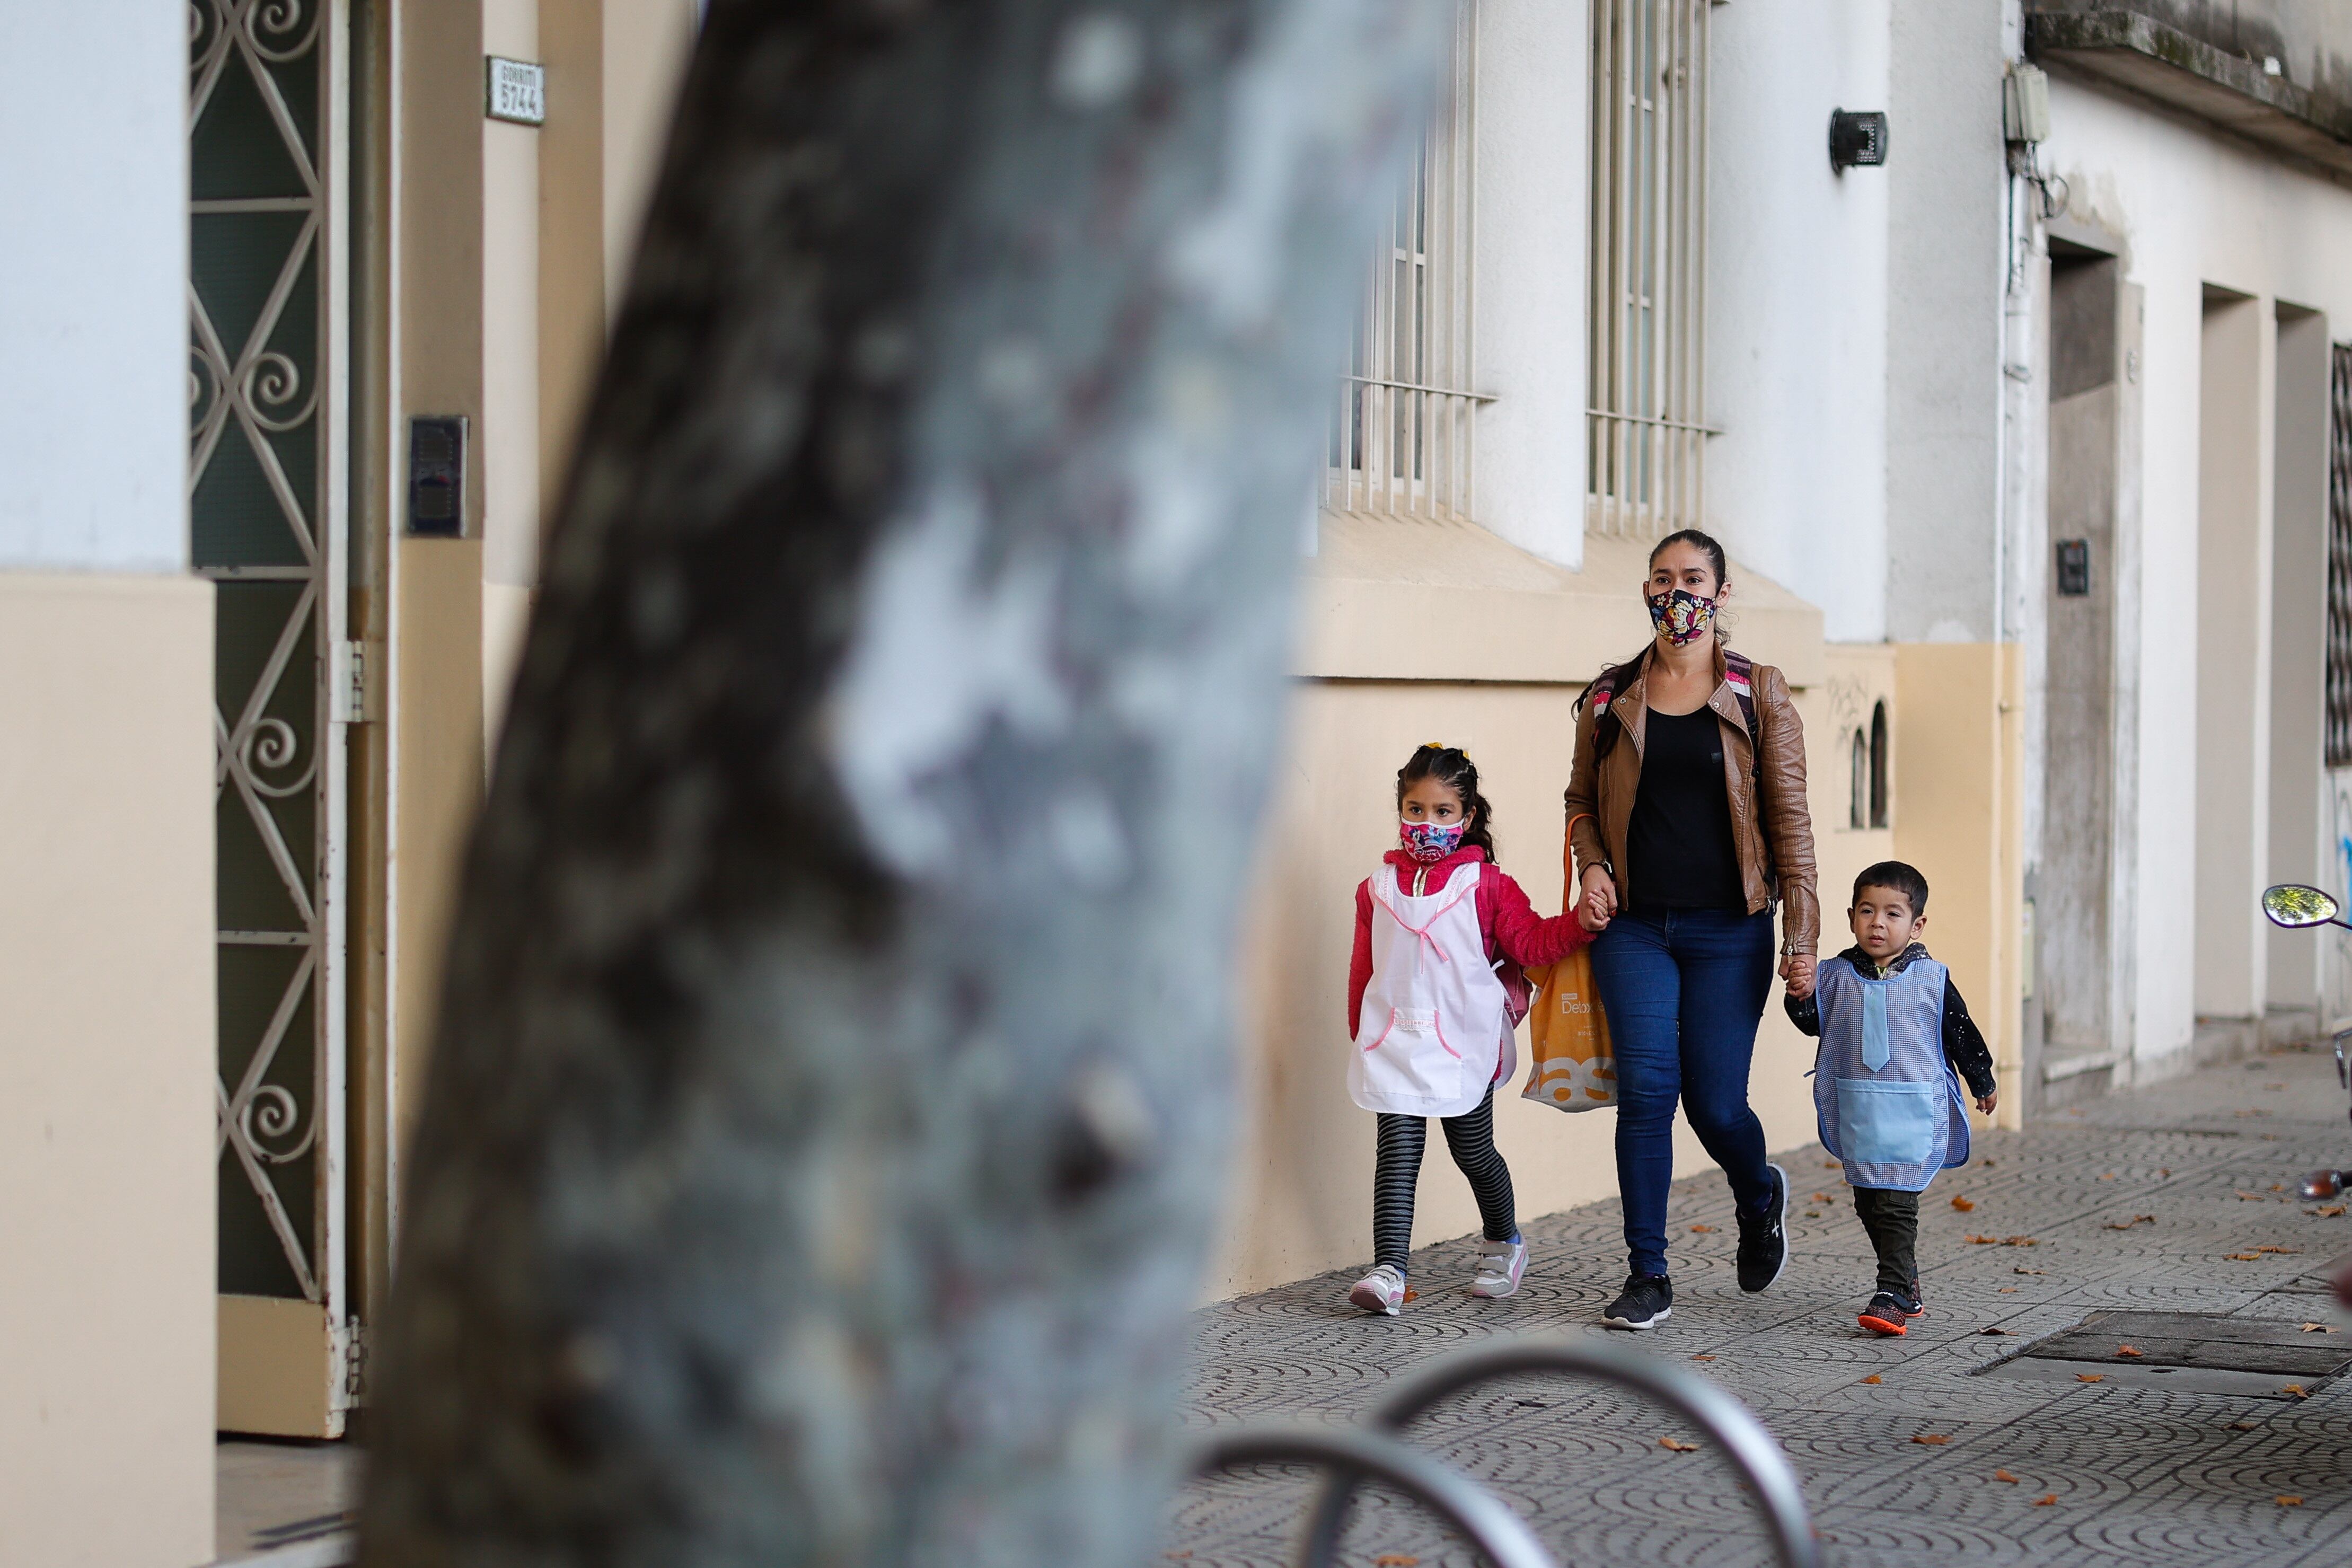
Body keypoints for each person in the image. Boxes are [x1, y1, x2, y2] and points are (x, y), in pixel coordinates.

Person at [1564, 528, 1819, 1331]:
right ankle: (1648, 1274)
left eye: (1694, 577)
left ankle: (1758, 1189)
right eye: (1663, 577)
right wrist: (1593, 867)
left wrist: (1801, 938)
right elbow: (1579, 799)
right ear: (1645, 589)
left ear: (1722, 592)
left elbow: (1791, 824)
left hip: (1728, 928)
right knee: (1645, 1092)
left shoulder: (1759, 693)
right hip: (1634, 926)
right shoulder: (1610, 695)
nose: (1678, 590)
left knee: (1714, 1103)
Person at [1346, 743, 1600, 1315]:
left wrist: (1581, 924)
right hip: (1394, 1042)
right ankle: (1389, 1272)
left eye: (1442, 812)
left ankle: (1504, 1241)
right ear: (1400, 809)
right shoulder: (1376, 888)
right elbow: (1365, 968)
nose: (1427, 824)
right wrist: (1361, 1034)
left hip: (1464, 1045)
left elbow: (1531, 942)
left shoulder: (1487, 886)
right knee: (1398, 1154)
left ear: (1467, 818)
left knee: (1473, 1150)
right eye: (1415, 809)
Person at [1786, 862, 1998, 1336]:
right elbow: (1810, 1021)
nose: (1877, 923)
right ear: (1850, 917)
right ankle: (1905, 1278)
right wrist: (1800, 993)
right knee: (1868, 1199)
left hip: (1912, 1107)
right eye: (1866, 911)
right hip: (1859, 1105)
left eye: (1892, 914)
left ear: (1916, 924)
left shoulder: (1931, 978)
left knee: (1897, 1201)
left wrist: (1981, 1079)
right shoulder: (1835, 975)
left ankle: (1892, 1292)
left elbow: (1959, 1031)